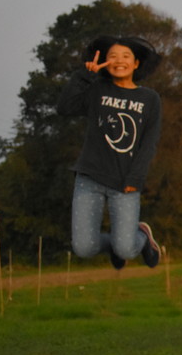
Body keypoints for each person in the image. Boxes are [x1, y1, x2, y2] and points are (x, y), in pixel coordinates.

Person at [56, 35, 163, 271]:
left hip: (125, 183)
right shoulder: (97, 90)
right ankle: (114, 246)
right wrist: (84, 75)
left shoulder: (150, 99)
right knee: (83, 248)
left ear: (136, 63)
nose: (119, 61)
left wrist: (135, 179)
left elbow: (148, 144)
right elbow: (64, 108)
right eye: (113, 56)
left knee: (126, 249)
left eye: (126, 56)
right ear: (105, 62)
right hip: (89, 178)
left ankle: (142, 237)